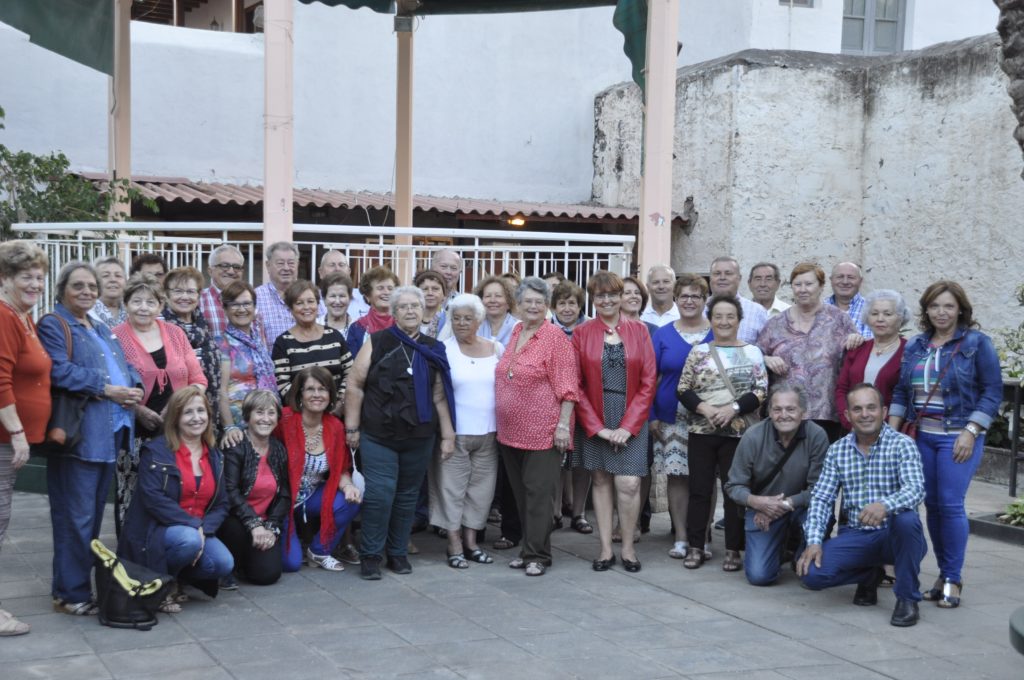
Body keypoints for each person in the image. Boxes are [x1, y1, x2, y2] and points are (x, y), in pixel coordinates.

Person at [888, 281, 1002, 609]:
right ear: (926, 309)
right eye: (935, 306)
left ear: (960, 309)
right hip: (921, 436)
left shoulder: (977, 343)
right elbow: (900, 392)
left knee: (951, 504)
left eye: (949, 306)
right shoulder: (916, 346)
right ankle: (942, 574)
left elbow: (992, 391)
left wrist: (970, 430)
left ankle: (953, 576)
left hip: (957, 436)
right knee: (932, 507)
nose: (942, 312)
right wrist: (891, 434)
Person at [39, 262, 143, 616]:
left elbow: (125, 365)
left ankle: (75, 588)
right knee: (75, 518)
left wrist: (134, 386)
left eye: (91, 287)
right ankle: (70, 593)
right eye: (77, 285)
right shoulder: (54, 324)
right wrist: (106, 388)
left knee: (92, 517)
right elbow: (56, 369)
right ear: (62, 289)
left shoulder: (100, 326)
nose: (86, 292)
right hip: (80, 436)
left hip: (110, 434)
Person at [344, 286, 456, 579]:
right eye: (403, 307)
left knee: (407, 497)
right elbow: (354, 383)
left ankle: (397, 553)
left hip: (419, 436)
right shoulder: (377, 342)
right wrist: (352, 426)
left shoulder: (434, 347)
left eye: (415, 306)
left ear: (423, 311)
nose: (409, 311)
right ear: (393, 313)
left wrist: (447, 435)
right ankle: (370, 555)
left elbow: (439, 395)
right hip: (379, 434)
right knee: (380, 495)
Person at [798, 383, 927, 627]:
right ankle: (871, 574)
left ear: (884, 411)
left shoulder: (903, 444)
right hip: (856, 535)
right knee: (811, 575)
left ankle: (908, 599)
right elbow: (822, 498)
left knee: (907, 519)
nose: (865, 414)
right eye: (857, 409)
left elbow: (916, 490)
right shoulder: (837, 450)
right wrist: (814, 541)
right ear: (847, 415)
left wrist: (885, 505)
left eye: (871, 407)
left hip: (896, 536)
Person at [118, 387, 234, 612]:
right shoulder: (156, 451)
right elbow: (153, 499)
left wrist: (202, 529)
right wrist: (194, 527)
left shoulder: (214, 454)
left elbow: (221, 504)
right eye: (188, 412)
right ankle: (161, 586)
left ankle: (178, 577)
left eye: (201, 411)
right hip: (157, 530)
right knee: (188, 540)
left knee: (223, 563)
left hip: (195, 531)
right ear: (176, 417)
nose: (196, 418)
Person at [494, 277, 580, 576]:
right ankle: (527, 547)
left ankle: (539, 556)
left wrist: (562, 428)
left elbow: (568, 387)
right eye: (527, 301)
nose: (533, 306)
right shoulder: (517, 330)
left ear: (547, 306)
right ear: (518, 305)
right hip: (509, 431)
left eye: (539, 302)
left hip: (543, 432)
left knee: (538, 494)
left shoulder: (555, 338)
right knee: (520, 495)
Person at [573, 271, 656, 573]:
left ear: (622, 297)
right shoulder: (582, 333)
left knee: (629, 482)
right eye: (599, 295)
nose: (606, 300)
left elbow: (648, 382)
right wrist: (598, 427)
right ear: (592, 299)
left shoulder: (640, 331)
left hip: (631, 414)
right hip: (595, 413)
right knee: (600, 479)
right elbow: (576, 384)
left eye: (612, 294)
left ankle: (629, 548)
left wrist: (627, 426)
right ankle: (606, 549)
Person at [678, 294, 768, 571]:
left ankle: (733, 549)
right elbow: (683, 389)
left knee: (734, 492)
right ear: (710, 320)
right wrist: (706, 409)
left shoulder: (753, 352)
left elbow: (761, 390)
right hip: (702, 431)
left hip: (739, 433)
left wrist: (734, 409)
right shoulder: (699, 351)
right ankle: (696, 547)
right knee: (699, 491)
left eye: (730, 316)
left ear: (739, 320)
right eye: (718, 316)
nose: (724, 321)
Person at [113, 274, 208, 535]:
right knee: (131, 491)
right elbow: (114, 386)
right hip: (134, 429)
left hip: (176, 429)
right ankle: (130, 554)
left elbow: (198, 379)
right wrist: (138, 410)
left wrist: (177, 406)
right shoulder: (115, 338)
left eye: (150, 302)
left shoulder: (175, 334)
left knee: (173, 490)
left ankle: (169, 549)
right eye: (136, 301)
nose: (143, 307)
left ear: (160, 305)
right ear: (126, 303)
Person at [725, 384, 827, 586]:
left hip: (800, 508)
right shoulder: (753, 436)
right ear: (769, 412)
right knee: (759, 576)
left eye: (791, 409)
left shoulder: (817, 436)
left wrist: (785, 504)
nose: (784, 415)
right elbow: (733, 486)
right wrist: (757, 502)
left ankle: (798, 550)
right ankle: (779, 548)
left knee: (812, 573)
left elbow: (821, 490)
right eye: (777, 409)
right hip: (762, 510)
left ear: (803, 412)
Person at [0, 241, 50, 636]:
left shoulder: (23, 317)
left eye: (39, 276)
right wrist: (17, 433)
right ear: (5, 278)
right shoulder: (3, 316)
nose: (35, 283)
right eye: (25, 277)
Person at [432, 294, 503, 568]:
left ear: (479, 320)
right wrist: (447, 433)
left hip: (489, 433)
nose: (462, 323)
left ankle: (472, 543)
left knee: (481, 491)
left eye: (468, 318)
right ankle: (454, 545)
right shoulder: (443, 349)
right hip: (456, 434)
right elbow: (438, 395)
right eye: (456, 318)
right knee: (451, 490)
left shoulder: (496, 348)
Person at [756, 262, 862, 443]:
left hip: (826, 413)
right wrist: (766, 358)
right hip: (785, 413)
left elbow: (856, 358)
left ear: (821, 286)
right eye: (797, 284)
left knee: (821, 468)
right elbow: (754, 356)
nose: (802, 289)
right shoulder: (776, 323)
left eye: (809, 284)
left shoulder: (839, 320)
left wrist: (857, 339)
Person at [651, 274, 713, 559]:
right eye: (684, 295)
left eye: (696, 296)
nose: (689, 300)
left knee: (705, 477)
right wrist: (652, 414)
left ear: (704, 300)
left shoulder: (718, 332)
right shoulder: (662, 334)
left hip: (710, 417)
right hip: (671, 415)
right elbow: (650, 378)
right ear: (675, 299)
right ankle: (681, 537)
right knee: (677, 476)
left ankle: (703, 535)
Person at [277, 367, 362, 573]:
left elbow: (341, 469)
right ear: (300, 394)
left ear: (330, 395)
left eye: (322, 389)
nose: (317, 395)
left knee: (351, 500)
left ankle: (319, 550)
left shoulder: (335, 426)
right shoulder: (284, 420)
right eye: (310, 389)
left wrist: (349, 486)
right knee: (290, 564)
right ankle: (291, 536)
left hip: (312, 494)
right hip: (282, 500)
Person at [217, 390, 290, 586]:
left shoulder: (279, 449)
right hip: (238, 521)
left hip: (265, 522)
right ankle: (232, 565)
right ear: (247, 416)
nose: (265, 419)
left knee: (268, 575)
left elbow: (284, 494)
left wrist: (272, 527)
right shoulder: (236, 445)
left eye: (271, 413)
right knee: (233, 528)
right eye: (259, 412)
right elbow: (230, 491)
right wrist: (253, 524)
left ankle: (248, 562)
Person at [272, 280, 353, 416]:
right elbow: (282, 385)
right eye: (299, 303)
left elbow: (350, 373)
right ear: (290, 308)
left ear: (317, 304)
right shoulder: (283, 343)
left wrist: (339, 404)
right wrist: (311, 410)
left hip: (338, 415)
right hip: (301, 418)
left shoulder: (334, 336)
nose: (306, 307)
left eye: (310, 301)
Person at [836, 290, 911, 430]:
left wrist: (892, 430)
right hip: (854, 430)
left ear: (900, 317)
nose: (880, 319)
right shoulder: (857, 349)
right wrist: (850, 423)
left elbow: (907, 395)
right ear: (867, 318)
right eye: (874, 313)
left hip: (892, 431)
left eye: (887, 314)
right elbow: (842, 389)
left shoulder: (910, 351)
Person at [162, 267, 223, 433]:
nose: (184, 297)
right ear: (166, 294)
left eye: (190, 291)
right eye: (178, 291)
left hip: (206, 408)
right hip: (174, 411)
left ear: (198, 295)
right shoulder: (159, 326)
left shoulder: (203, 324)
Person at [218, 281, 278, 448]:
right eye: (235, 304)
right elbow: (221, 390)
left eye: (246, 303)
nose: (242, 309)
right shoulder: (222, 343)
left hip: (267, 424)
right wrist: (229, 427)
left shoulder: (259, 339)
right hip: (240, 430)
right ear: (225, 309)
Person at [708, 256, 768, 344]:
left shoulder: (757, 311)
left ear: (739, 278)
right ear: (710, 278)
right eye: (717, 273)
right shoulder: (698, 309)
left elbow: (765, 349)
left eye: (728, 273)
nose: (722, 277)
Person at [346, 265, 400, 355]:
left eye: (390, 288)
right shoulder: (356, 328)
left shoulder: (404, 325)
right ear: (368, 296)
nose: (386, 292)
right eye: (380, 288)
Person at [200, 245, 250, 339]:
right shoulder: (198, 300)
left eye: (236, 267)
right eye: (224, 266)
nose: (231, 271)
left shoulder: (251, 301)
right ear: (210, 271)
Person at [255, 241, 300, 345]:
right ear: (268, 265)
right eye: (280, 263)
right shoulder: (255, 297)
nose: (286, 268)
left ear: (297, 265)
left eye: (291, 263)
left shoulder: (311, 297)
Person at [316, 249, 369, 321]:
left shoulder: (364, 297)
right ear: (320, 272)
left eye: (341, 265)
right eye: (332, 265)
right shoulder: (312, 300)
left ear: (349, 271)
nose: (337, 269)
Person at [826, 262, 873, 338]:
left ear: (860, 281)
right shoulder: (818, 310)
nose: (845, 282)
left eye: (851, 277)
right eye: (840, 277)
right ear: (831, 280)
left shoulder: (873, 310)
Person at [475, 276, 518, 347]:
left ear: (508, 302)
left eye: (498, 296)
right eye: (488, 296)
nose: (492, 300)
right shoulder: (474, 326)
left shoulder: (518, 327)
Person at [90, 257, 128, 328]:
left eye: (118, 276)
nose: (113, 280)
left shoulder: (132, 311)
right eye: (106, 276)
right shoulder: (87, 312)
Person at [320, 272, 357, 339]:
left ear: (350, 299)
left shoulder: (359, 327)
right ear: (324, 300)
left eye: (342, 296)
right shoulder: (315, 326)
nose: (337, 301)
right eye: (332, 296)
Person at [415, 269, 448, 338]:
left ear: (444, 295)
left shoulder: (450, 321)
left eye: (435, 289)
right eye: (425, 289)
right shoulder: (408, 318)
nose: (430, 293)